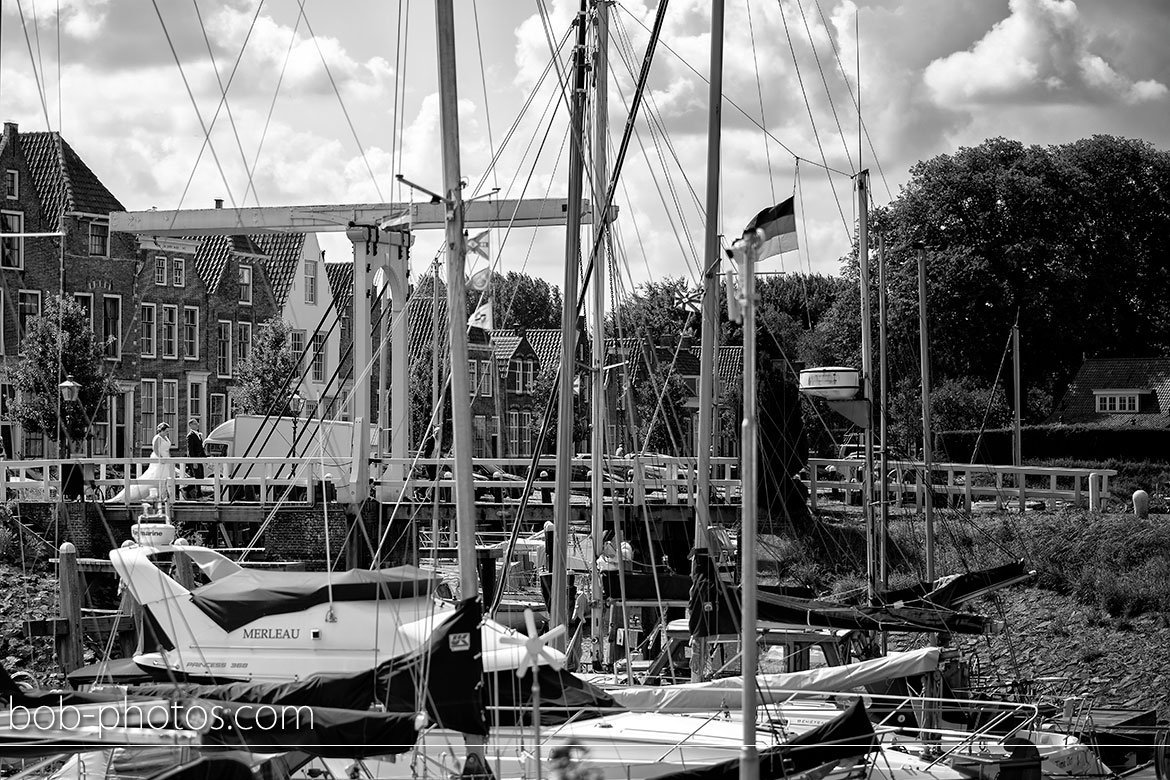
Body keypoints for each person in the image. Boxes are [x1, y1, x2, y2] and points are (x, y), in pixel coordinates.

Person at [185, 418, 205, 500]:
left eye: (197, 424)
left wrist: (206, 459)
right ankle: (198, 495)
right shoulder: (190, 436)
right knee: (197, 477)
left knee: (201, 477)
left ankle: (186, 489)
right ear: (191, 425)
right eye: (195, 424)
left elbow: (201, 449)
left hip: (199, 458)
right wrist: (194, 461)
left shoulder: (198, 435)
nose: (198, 425)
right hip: (195, 459)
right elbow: (191, 450)